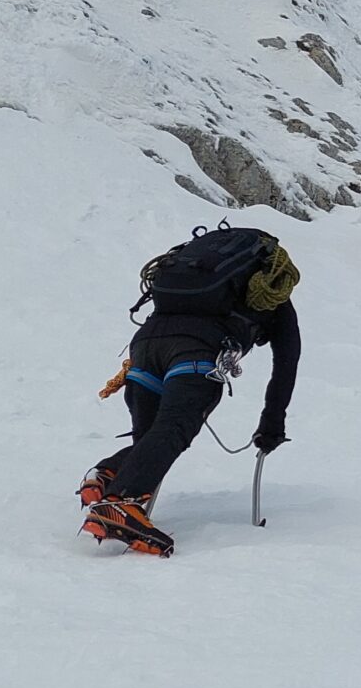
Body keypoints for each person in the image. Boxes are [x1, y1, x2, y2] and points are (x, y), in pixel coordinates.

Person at [81, 226, 302, 555]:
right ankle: (120, 503)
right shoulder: (274, 301)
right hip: (197, 352)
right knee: (174, 428)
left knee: (154, 439)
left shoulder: (198, 278)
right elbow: (286, 361)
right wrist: (272, 423)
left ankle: (108, 473)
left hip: (145, 347)